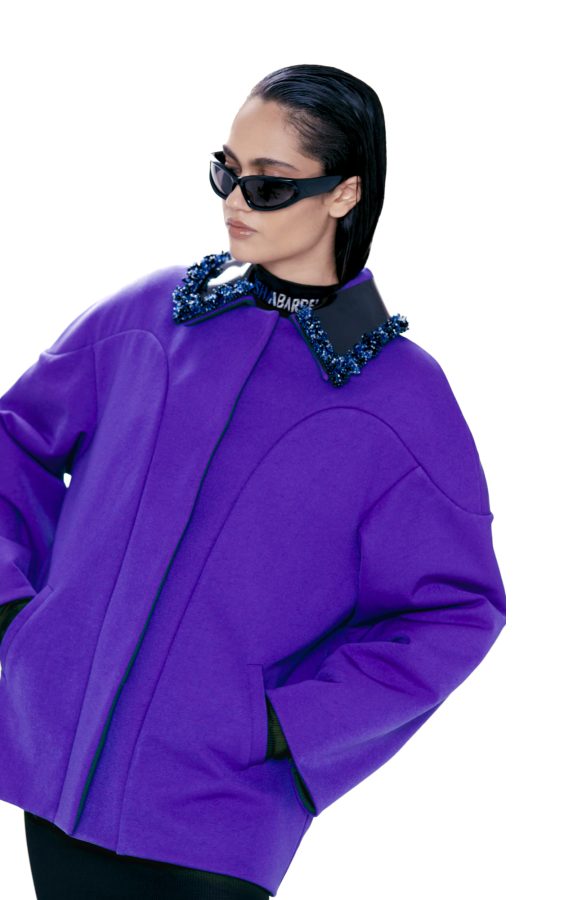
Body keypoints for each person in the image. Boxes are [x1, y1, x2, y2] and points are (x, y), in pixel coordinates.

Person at [0, 64, 506, 899]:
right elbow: (13, 439)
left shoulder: (401, 398)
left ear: (344, 193)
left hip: (219, 812)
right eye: (225, 173)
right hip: (56, 768)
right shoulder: (148, 317)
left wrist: (283, 725)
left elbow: (456, 608)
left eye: (268, 185)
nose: (235, 201)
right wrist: (19, 614)